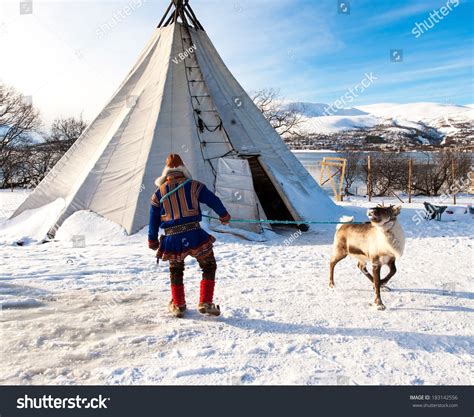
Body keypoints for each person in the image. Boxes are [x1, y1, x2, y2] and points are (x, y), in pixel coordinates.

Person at [148, 154, 231, 318]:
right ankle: (206, 303)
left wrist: (152, 239)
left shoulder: (158, 193)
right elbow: (212, 200)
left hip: (172, 238)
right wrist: (224, 215)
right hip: (194, 234)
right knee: (208, 265)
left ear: (166, 173)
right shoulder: (194, 186)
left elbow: (153, 218)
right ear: (183, 169)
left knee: (176, 269)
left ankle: (178, 305)